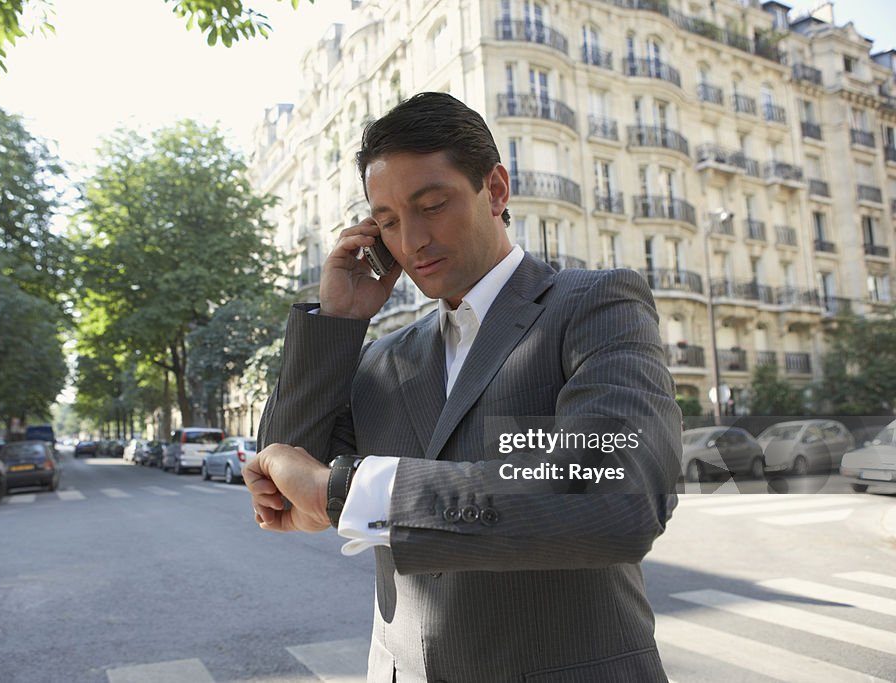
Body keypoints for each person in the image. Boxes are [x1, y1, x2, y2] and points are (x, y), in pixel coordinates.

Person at [245, 92, 681, 682]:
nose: (412, 241)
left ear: (496, 190)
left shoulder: (593, 304)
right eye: (390, 222)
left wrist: (346, 490)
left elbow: (613, 494)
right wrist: (338, 323)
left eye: (432, 205)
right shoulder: (384, 358)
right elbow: (283, 480)